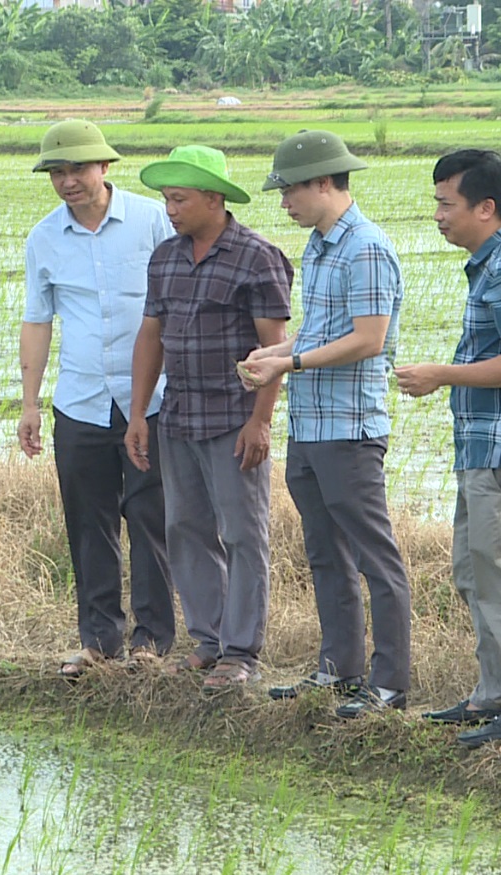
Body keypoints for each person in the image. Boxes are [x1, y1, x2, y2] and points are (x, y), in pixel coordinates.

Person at [237, 130, 412, 719]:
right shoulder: (320, 245)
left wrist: (288, 360)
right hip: (310, 426)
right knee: (325, 554)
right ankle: (338, 671)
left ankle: (388, 685)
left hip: (349, 428)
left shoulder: (365, 247)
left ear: (322, 183)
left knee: (374, 558)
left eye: (288, 190)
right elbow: (322, 331)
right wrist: (276, 353)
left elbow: (369, 340)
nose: (283, 202)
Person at [395, 149, 501, 748]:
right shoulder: (494, 261)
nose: (438, 215)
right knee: (475, 572)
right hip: (486, 450)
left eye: (447, 204)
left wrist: (442, 373)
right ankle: (495, 697)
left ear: (484, 208)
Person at [126, 145, 293, 693]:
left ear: (214, 199)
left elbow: (276, 348)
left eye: (180, 198)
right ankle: (208, 641)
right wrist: (139, 412)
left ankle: (241, 651)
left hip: (232, 418)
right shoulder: (166, 258)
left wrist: (260, 420)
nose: (170, 209)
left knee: (243, 534)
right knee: (185, 528)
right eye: (166, 199)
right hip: (178, 416)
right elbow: (152, 336)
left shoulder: (256, 257)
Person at [19, 120, 177, 679]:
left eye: (78, 170)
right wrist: (30, 402)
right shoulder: (43, 239)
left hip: (151, 400)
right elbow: (38, 320)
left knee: (152, 519)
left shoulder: (152, 221)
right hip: (80, 400)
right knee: (89, 523)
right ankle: (99, 640)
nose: (68, 182)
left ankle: (152, 643)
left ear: (104, 168)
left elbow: (178, 303)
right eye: (57, 172)